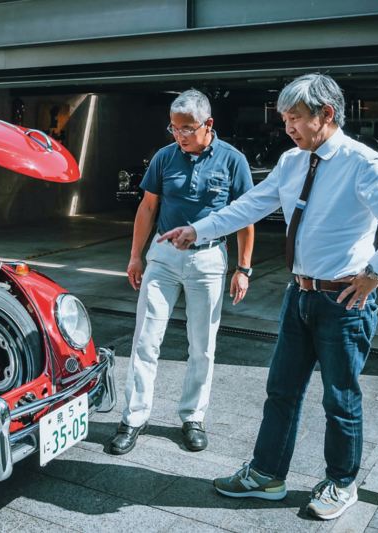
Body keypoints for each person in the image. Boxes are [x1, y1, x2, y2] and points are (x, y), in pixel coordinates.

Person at [159, 73, 378, 520]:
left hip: (343, 302)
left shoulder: (362, 164)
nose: (288, 128)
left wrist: (376, 273)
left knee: (340, 397)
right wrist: (198, 230)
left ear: (327, 114)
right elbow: (253, 205)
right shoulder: (293, 161)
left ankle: (341, 482)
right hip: (298, 295)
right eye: (284, 119)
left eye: (295, 118)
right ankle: (267, 475)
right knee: (281, 389)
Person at [108, 89, 255, 456]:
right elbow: (147, 208)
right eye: (174, 128)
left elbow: (245, 218)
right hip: (162, 257)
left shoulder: (233, 161)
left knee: (202, 345)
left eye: (187, 128)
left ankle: (193, 417)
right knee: (145, 339)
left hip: (208, 261)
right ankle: (134, 417)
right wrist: (135, 256)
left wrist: (243, 268)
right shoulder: (164, 157)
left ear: (208, 124)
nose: (179, 135)